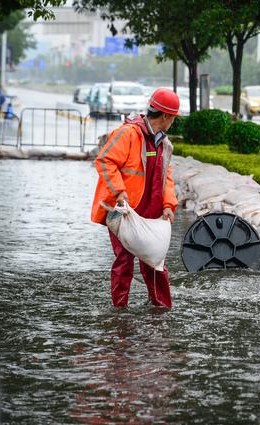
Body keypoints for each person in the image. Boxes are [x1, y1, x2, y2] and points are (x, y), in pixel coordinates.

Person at [90, 88, 180, 308]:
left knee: (155, 262)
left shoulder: (164, 144)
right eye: (174, 118)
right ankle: (120, 310)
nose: (174, 122)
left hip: (151, 210)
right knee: (124, 261)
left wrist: (169, 205)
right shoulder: (129, 133)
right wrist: (119, 192)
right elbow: (104, 161)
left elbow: (166, 177)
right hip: (123, 212)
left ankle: (160, 306)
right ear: (166, 116)